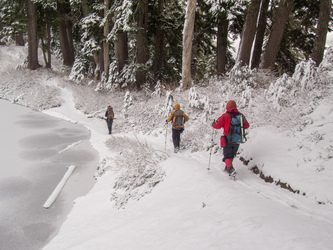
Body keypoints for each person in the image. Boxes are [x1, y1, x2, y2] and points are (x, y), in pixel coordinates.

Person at [212, 100, 249, 175]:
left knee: (227, 156)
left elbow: (218, 126)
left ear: (227, 107)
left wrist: (213, 124)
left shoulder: (225, 116)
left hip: (228, 139)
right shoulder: (241, 115)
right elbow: (247, 125)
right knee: (231, 155)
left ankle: (231, 169)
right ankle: (227, 167)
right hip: (238, 139)